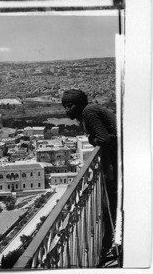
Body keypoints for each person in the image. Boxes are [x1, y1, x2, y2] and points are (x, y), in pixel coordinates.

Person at [61, 89, 118, 257]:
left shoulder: (88, 112)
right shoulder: (88, 111)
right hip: (116, 158)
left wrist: (90, 140)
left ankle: (109, 243)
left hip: (117, 159)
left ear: (79, 105)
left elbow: (104, 139)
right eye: (65, 106)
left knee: (112, 203)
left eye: (69, 106)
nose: (67, 110)